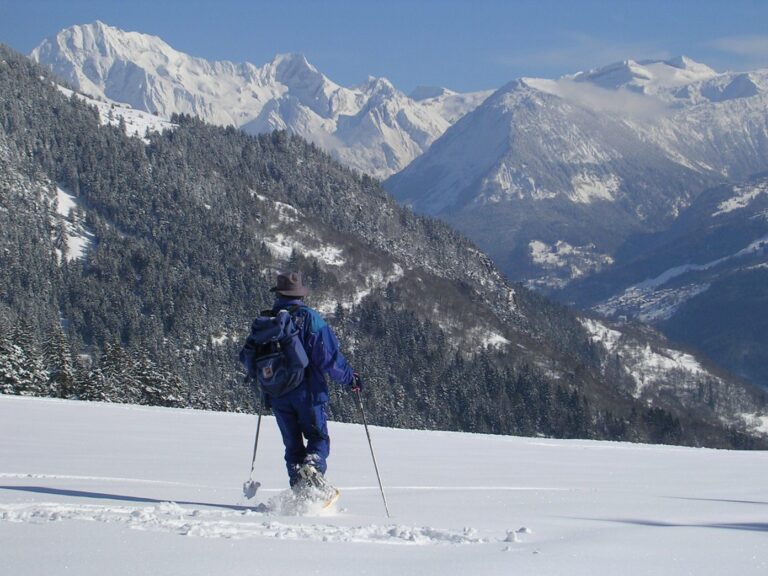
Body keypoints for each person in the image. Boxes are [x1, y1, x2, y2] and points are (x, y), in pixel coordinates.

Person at [264, 271, 362, 492]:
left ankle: (299, 492)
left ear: (279, 293)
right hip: (308, 392)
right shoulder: (309, 319)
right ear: (300, 295)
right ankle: (313, 471)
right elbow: (329, 358)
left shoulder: (268, 321)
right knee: (318, 438)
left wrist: (266, 393)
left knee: (292, 446)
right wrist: (351, 379)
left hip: (278, 394)